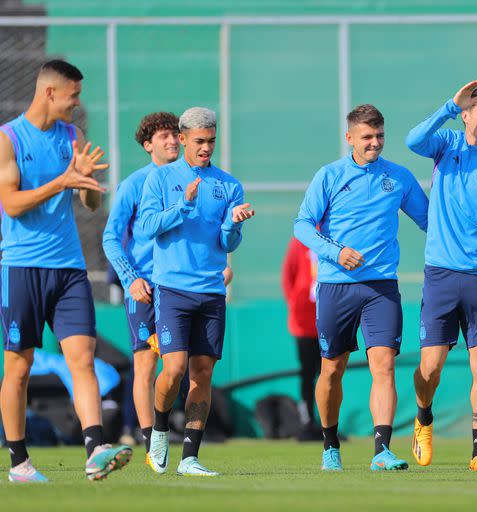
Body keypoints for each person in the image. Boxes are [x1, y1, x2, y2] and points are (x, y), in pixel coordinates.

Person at [0, 59, 132, 482]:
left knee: (83, 358)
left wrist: (87, 184)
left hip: (69, 269)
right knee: (18, 367)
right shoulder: (8, 139)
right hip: (20, 267)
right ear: (50, 92)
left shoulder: (73, 137)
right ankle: (19, 461)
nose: (78, 103)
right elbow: (12, 204)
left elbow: (88, 204)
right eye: (73, 95)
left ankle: (96, 450)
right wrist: (62, 181)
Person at [294, 104, 428, 472]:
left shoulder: (398, 177)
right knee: (332, 369)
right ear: (349, 137)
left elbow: (430, 219)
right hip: (337, 288)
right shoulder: (329, 176)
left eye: (380, 136)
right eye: (367, 137)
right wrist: (336, 253)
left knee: (383, 365)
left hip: (381, 287)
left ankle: (382, 450)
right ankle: (330, 444)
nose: (375, 143)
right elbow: (303, 226)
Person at [406, 80, 477, 471]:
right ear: (468, 114)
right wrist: (449, 106)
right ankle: (423, 417)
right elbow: (412, 140)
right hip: (440, 273)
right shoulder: (447, 144)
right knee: (431, 368)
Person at [140, 107, 253, 477]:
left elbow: (227, 241)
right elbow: (148, 228)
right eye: (200, 141)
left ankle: (189, 456)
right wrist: (183, 204)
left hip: (211, 291)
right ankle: (159, 429)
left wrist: (234, 225)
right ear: (183, 138)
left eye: (211, 141)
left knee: (202, 374)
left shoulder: (228, 185)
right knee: (172, 368)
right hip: (172, 289)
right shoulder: (160, 179)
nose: (206, 148)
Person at [102, 112, 180, 463]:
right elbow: (111, 238)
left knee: (185, 366)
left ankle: (187, 439)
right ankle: (153, 443)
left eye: (175, 135)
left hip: (183, 286)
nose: (172, 141)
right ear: (148, 145)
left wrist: (219, 267)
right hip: (146, 288)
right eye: (164, 136)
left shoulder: (190, 179)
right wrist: (130, 278)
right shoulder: (134, 184)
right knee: (145, 364)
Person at [281, 236, 324, 441]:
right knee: (308, 373)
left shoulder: (334, 232)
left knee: (329, 372)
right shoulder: (301, 240)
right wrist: (296, 305)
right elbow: (288, 276)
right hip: (304, 321)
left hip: (328, 317)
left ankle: (327, 423)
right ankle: (307, 422)